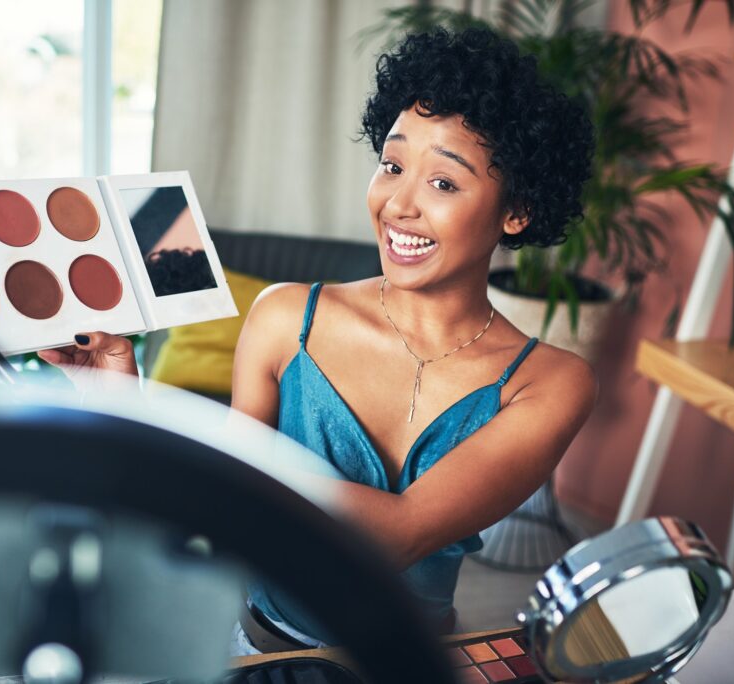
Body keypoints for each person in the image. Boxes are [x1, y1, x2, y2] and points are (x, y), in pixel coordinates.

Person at [39, 26, 597, 654]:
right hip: (256, 650)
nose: (398, 205)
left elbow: (400, 534)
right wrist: (122, 401)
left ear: (516, 210)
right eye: (391, 165)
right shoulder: (284, 318)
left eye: (443, 182)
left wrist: (214, 455)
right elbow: (225, 519)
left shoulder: (548, 382)